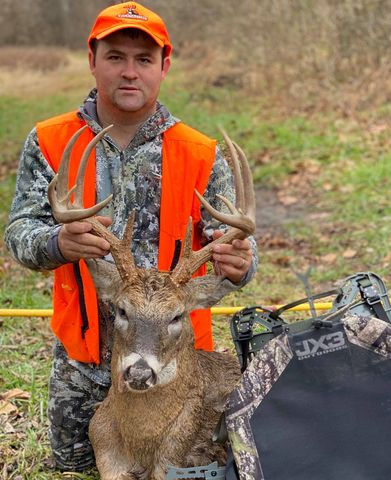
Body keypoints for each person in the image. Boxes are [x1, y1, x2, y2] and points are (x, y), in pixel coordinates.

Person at [4, 1, 257, 472]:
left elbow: (235, 246)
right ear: (92, 60)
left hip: (177, 362)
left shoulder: (201, 153)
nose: (129, 72)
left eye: (143, 60)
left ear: (164, 66)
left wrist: (241, 261)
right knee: (72, 464)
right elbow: (19, 233)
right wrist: (57, 243)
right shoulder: (50, 140)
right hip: (84, 364)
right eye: (116, 56)